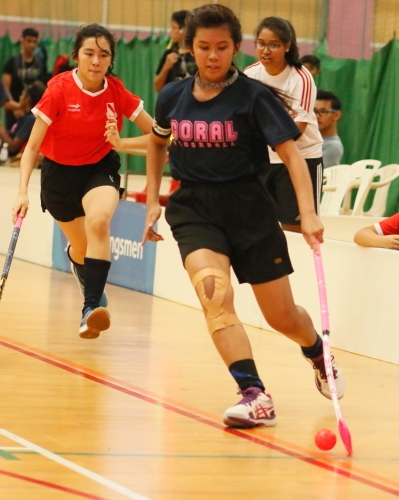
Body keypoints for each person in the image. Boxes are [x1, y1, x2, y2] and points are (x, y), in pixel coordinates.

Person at [142, 4, 344, 428]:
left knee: (282, 317)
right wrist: (153, 202)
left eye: (221, 47)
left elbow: (292, 154)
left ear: (236, 48)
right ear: (190, 47)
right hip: (194, 208)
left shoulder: (254, 97)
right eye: (202, 47)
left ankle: (317, 354)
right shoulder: (171, 96)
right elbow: (158, 144)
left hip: (250, 209)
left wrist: (307, 214)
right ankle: (254, 394)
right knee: (215, 296)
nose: (212, 56)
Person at [11, 24, 153, 338]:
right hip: (58, 177)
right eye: (89, 53)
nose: (96, 61)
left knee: (99, 222)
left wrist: (123, 144)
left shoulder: (116, 91)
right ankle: (81, 270)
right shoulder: (59, 89)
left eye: (104, 55)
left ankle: (89, 308)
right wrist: (22, 192)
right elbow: (32, 146)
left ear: (111, 60)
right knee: (81, 247)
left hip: (99, 169)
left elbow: (156, 136)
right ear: (77, 55)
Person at [244, 17, 323, 233]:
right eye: (261, 43)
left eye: (274, 45)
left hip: (301, 160)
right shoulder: (249, 75)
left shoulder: (302, 79)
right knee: (257, 228)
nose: (266, 51)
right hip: (263, 162)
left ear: (288, 46)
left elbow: (297, 129)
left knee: (295, 230)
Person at [2, 28, 46, 128]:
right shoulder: (12, 62)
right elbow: (5, 87)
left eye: (34, 42)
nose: (32, 45)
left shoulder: (39, 63)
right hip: (15, 110)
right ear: (22, 41)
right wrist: (15, 107)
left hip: (33, 109)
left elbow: (43, 88)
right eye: (29, 41)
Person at [153, 10, 196, 92]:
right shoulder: (170, 52)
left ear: (184, 29)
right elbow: (157, 88)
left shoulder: (197, 54)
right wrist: (165, 68)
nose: (170, 31)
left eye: (173, 27)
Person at [315, 90, 343, 168]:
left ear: (336, 115)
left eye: (323, 111)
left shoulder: (333, 146)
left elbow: (314, 176)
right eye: (314, 111)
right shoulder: (310, 140)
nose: (317, 116)